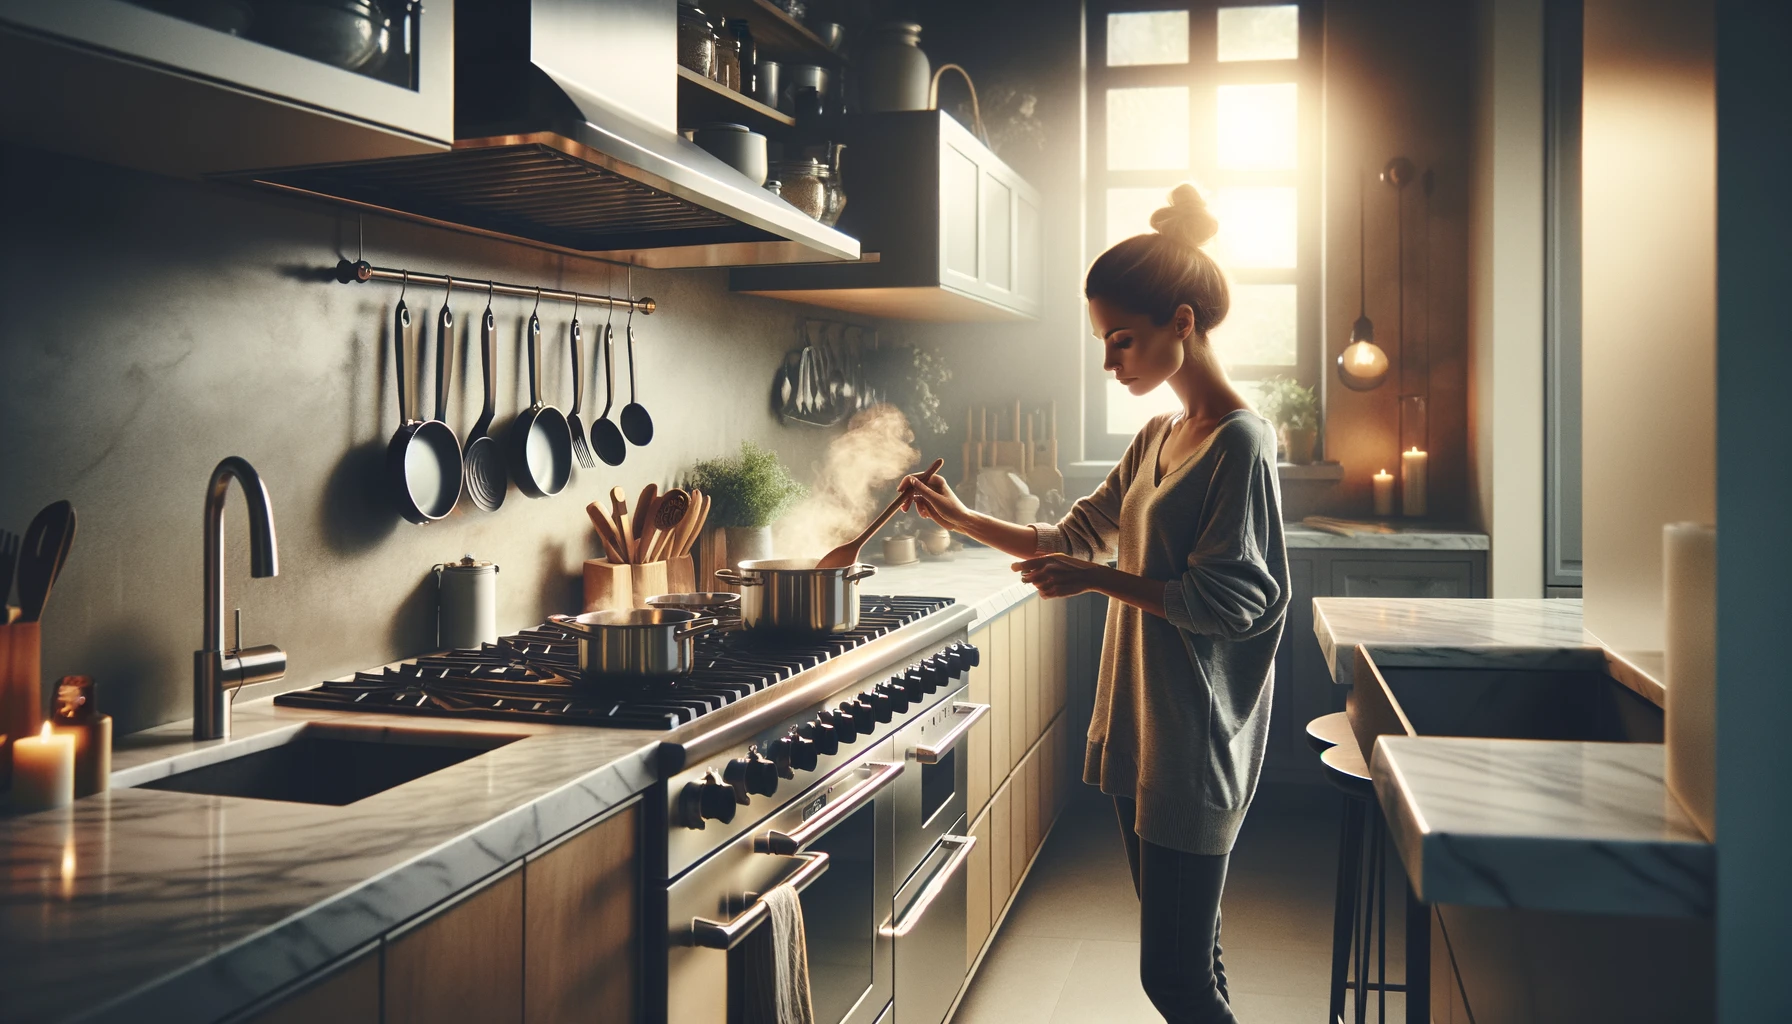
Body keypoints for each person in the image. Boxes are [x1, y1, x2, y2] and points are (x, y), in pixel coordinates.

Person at [901, 183, 1289, 1024]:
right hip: (1141, 732)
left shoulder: (1240, 443)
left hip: (1193, 742)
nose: (1111, 363)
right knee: (1195, 957)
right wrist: (961, 517)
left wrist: (1102, 582)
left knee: (1173, 980)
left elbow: (1241, 602)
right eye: (1103, 343)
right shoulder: (1157, 434)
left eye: (1122, 340)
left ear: (1182, 323)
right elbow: (1076, 536)